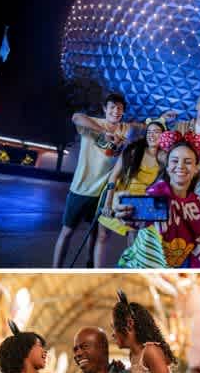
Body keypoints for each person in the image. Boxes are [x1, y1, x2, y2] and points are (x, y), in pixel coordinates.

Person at [53, 93, 142, 268]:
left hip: (103, 193)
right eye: (112, 107)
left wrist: (160, 119)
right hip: (82, 189)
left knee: (95, 234)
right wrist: (105, 132)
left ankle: (89, 266)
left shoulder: (125, 129)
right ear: (105, 109)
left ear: (123, 111)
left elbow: (143, 127)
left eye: (120, 108)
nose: (116, 111)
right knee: (67, 231)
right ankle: (56, 269)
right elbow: (76, 117)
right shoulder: (93, 124)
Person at [114, 130, 200, 268]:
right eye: (175, 160)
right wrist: (125, 212)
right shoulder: (157, 193)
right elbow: (138, 221)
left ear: (196, 168)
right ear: (167, 166)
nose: (180, 166)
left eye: (188, 162)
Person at [93, 119, 167, 267]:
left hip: (141, 202)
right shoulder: (133, 150)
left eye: (157, 132)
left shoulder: (163, 156)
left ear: (163, 136)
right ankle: (97, 270)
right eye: (150, 132)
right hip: (120, 195)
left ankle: (129, 271)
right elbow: (113, 176)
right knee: (102, 235)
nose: (152, 135)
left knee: (133, 242)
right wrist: (107, 203)